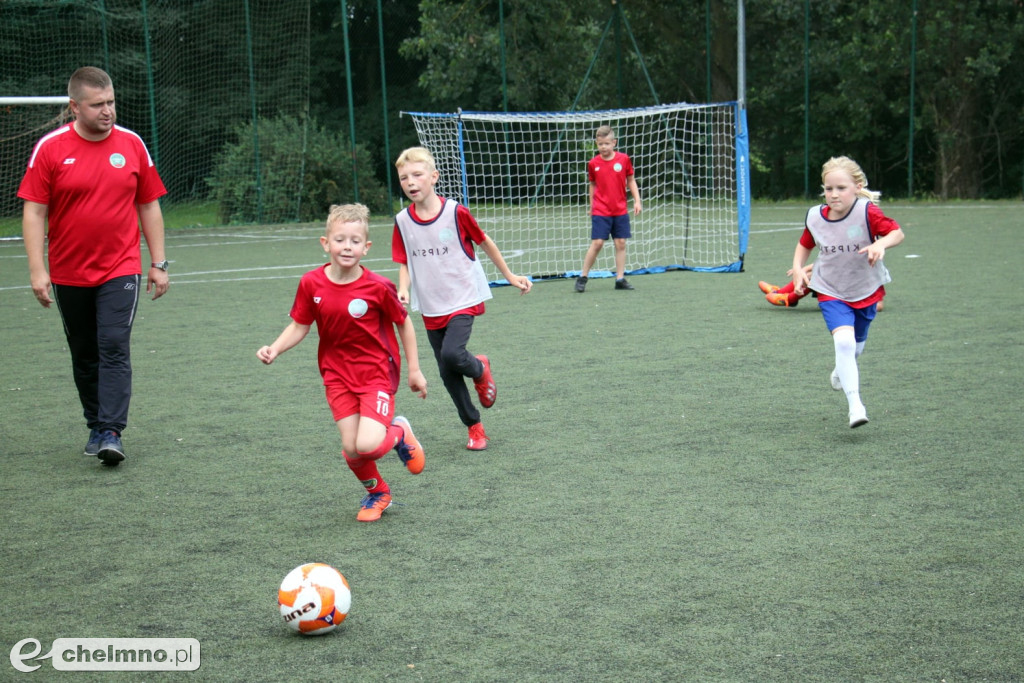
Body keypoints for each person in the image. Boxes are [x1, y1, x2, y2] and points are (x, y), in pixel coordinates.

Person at [17, 66, 169, 466]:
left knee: (114, 345)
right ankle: (94, 422)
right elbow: (34, 212)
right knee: (84, 351)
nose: (108, 111)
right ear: (74, 107)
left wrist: (159, 263)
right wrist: (37, 270)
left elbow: (148, 204)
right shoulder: (49, 149)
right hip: (69, 271)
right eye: (98, 104)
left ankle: (111, 431)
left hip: (121, 267)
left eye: (111, 102)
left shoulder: (132, 144)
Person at [257, 203, 427, 523]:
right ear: (326, 243)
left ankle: (400, 432)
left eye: (354, 241)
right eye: (340, 240)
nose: (346, 247)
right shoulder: (311, 283)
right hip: (336, 375)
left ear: (366, 247)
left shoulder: (378, 287)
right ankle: (379, 493)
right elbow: (300, 325)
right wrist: (275, 349)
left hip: (375, 373)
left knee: (368, 445)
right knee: (352, 449)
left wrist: (414, 370)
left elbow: (403, 323)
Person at [392, 146, 532, 451]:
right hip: (430, 304)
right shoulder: (402, 221)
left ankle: (480, 369)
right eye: (404, 178)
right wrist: (403, 287)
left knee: (453, 355)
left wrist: (510, 276)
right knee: (446, 372)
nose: (411, 182)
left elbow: (484, 242)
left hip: (462, 297)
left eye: (417, 175)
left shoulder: (456, 212)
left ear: (434, 177)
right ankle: (475, 426)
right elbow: (404, 260)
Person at [790, 156, 904, 428]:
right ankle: (856, 406)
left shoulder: (867, 212)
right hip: (830, 289)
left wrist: (881, 245)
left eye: (841, 188)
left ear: (857, 186)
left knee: (856, 346)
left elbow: (897, 233)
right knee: (843, 343)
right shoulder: (816, 216)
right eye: (829, 188)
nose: (834, 194)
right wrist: (797, 269)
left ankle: (844, 368)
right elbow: (804, 244)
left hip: (865, 288)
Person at [574, 125, 642, 292]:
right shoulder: (593, 163)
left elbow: (631, 180)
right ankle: (583, 277)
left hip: (619, 209)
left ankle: (620, 279)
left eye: (606, 143)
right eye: (600, 144)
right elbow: (592, 185)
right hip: (600, 210)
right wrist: (591, 206)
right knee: (597, 243)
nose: (603, 147)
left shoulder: (624, 159)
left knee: (621, 243)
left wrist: (637, 201)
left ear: (614, 143)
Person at [759, 266, 885, 311]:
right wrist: (803, 268)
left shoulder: (871, 270)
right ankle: (779, 292)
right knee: (810, 274)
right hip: (839, 287)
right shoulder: (851, 251)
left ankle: (789, 299)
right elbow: (829, 262)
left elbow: (879, 305)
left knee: (813, 276)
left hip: (843, 295)